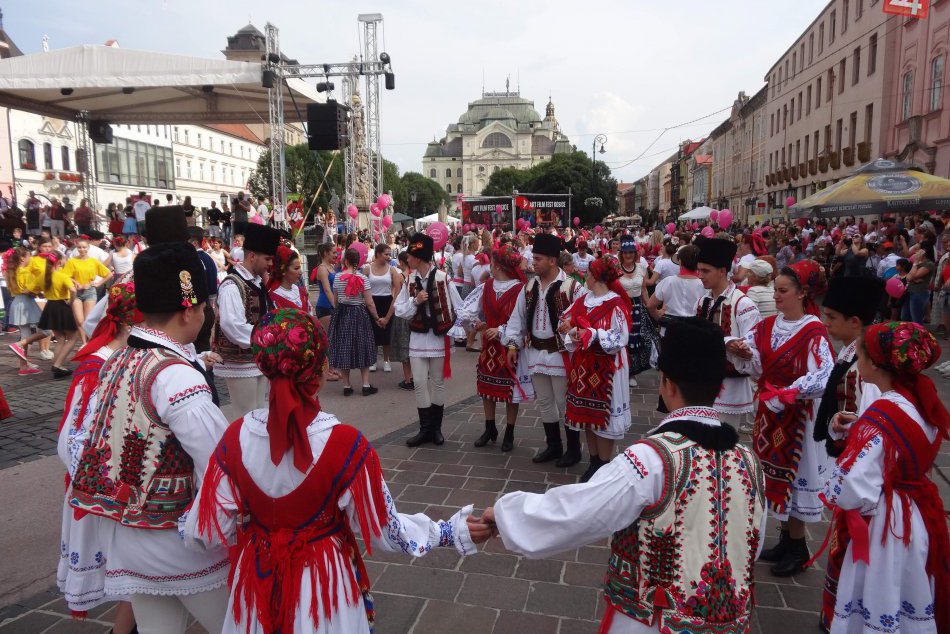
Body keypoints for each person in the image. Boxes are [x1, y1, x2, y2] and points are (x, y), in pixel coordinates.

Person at [185, 308, 477, 634]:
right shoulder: (345, 444)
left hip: (259, 574)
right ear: (321, 369)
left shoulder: (234, 437)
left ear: (265, 369)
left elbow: (206, 531)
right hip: (323, 581)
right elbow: (384, 529)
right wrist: (447, 533)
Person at [470, 317, 767, 634]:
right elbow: (753, 544)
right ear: (719, 385)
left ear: (666, 383)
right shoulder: (749, 462)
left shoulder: (652, 459)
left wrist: (504, 515)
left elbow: (579, 513)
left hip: (651, 622)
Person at [68, 241, 230, 634]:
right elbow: (222, 461)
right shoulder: (175, 375)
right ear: (188, 310)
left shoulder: (118, 359)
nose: (208, 314)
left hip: (126, 538)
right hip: (176, 541)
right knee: (240, 623)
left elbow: (83, 444)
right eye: (206, 307)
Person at [821, 322, 949, 634]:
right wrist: (855, 429)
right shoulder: (919, 400)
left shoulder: (884, 413)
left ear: (876, 364)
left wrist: (833, 487)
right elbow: (900, 448)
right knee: (909, 588)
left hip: (887, 524)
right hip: (916, 517)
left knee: (880, 591)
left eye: (860, 356)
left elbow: (853, 487)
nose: (856, 363)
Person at [728, 259, 834, 576]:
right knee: (773, 475)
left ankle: (799, 546)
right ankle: (787, 539)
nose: (777, 296)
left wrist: (791, 392)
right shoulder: (768, 324)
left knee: (796, 477)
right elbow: (758, 361)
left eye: (783, 291)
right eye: (775, 289)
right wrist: (743, 352)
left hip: (799, 417)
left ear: (802, 293)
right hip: (770, 413)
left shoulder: (814, 331)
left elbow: (826, 376)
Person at [55, 280, 141, 634]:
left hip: (129, 488)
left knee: (139, 575)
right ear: (125, 323)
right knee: (137, 574)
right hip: (107, 494)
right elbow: (71, 440)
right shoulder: (96, 367)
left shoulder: (131, 358)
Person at [811, 276, 885, 631]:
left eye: (831, 317)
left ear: (855, 322)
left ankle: (847, 619)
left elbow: (876, 431)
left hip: (864, 482)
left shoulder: (867, 369)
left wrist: (849, 431)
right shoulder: (850, 355)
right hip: (849, 465)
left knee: (855, 557)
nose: (826, 323)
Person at [503, 232, 586, 466]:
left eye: (538, 259)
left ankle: (573, 449)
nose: (533, 262)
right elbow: (517, 318)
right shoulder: (529, 287)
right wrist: (512, 343)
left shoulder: (571, 287)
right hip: (536, 352)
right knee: (545, 401)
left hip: (561, 354)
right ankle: (553, 445)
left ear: (552, 260)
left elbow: (584, 317)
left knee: (563, 401)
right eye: (533, 258)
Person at [560, 256, 632, 482]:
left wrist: (592, 334)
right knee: (586, 417)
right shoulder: (584, 299)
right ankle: (593, 462)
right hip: (583, 368)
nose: (585, 277)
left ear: (597, 277)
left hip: (607, 369)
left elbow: (620, 337)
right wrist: (569, 329)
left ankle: (603, 463)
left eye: (588, 274)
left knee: (605, 420)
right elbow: (566, 321)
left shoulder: (616, 304)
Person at [456, 244, 533, 451]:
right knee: (486, 387)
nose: (490, 266)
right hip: (489, 347)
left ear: (498, 265)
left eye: (492, 262)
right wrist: (477, 324)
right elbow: (470, 311)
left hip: (510, 346)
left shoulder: (520, 289)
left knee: (510, 390)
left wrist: (500, 330)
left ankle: (509, 431)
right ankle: (490, 428)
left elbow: (524, 322)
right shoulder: (487, 286)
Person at [395, 234, 463, 447]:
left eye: (412, 255)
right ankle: (425, 429)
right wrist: (415, 301)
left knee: (438, 383)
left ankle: (436, 429)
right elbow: (399, 310)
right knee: (419, 384)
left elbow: (458, 307)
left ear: (420, 257)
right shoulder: (408, 280)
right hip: (417, 339)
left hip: (437, 339)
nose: (409, 259)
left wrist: (467, 327)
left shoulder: (444, 278)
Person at [214, 223, 281, 420]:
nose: (270, 264)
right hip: (240, 362)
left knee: (259, 412)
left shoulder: (257, 283)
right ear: (252, 256)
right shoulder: (232, 285)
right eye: (267, 258)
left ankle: (255, 450)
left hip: (256, 358)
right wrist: (266, 338)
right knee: (246, 416)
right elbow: (232, 325)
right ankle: (242, 450)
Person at [695, 237, 761, 431]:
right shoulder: (703, 301)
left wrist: (738, 347)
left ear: (723, 271)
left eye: (706, 271)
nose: (700, 275)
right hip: (703, 383)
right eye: (699, 270)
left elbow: (754, 351)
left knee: (722, 447)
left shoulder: (743, 305)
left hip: (729, 388)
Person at [327, 248, 381, 396]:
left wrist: (338, 310)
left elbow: (336, 299)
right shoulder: (363, 279)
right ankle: (365, 384)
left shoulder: (338, 277)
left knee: (344, 347)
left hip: (342, 313)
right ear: (358, 262)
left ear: (345, 261)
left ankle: (346, 386)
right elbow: (369, 302)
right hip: (359, 313)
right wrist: (377, 318)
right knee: (363, 346)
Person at [617, 236, 656, 385]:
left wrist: (650, 307)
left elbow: (644, 290)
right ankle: (622, 370)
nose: (628, 255)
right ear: (622, 253)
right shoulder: (616, 269)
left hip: (637, 308)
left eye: (631, 252)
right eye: (626, 252)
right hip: (621, 307)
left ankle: (632, 372)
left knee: (636, 340)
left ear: (635, 253)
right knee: (622, 338)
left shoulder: (641, 268)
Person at [36, 251, 80, 377]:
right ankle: (58, 364)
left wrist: (42, 293)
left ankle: (57, 365)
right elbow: (72, 290)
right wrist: (71, 301)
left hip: (50, 306)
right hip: (62, 305)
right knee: (72, 337)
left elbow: (35, 289)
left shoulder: (43, 276)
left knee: (60, 338)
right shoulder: (62, 276)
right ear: (59, 261)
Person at [63, 238, 112, 338]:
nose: (82, 249)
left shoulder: (93, 261)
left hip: (90, 291)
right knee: (80, 320)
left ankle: (88, 341)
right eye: (79, 247)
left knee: (87, 320)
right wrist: (75, 282)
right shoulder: (72, 261)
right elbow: (65, 276)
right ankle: (84, 342)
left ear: (88, 248)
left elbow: (109, 274)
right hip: (76, 292)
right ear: (76, 248)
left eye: (84, 247)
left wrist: (98, 284)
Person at [363, 243, 400, 372]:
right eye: (386, 254)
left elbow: (397, 291)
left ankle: (386, 360)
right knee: (372, 332)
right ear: (378, 254)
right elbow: (362, 287)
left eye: (389, 254)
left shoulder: (392, 270)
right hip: (372, 301)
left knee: (386, 332)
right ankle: (373, 360)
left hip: (387, 301)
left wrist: (390, 312)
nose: (389, 257)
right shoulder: (368, 269)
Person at [391, 251, 414, 391]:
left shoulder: (400, 277)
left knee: (404, 346)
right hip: (414, 314)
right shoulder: (415, 275)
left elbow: (397, 297)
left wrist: (389, 315)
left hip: (403, 313)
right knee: (415, 346)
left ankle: (408, 379)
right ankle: (418, 376)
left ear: (402, 262)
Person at [902, 240, 936, 325]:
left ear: (923, 251)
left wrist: (915, 263)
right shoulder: (918, 263)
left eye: (917, 249)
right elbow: (908, 277)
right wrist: (913, 277)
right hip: (910, 292)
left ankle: (920, 337)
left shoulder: (929, 264)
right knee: (905, 317)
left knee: (916, 319)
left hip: (919, 293)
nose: (915, 252)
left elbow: (914, 275)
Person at [268, 245, 310, 312]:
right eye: (296, 268)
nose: (301, 272)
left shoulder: (300, 290)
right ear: (283, 270)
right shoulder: (274, 296)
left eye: (300, 267)